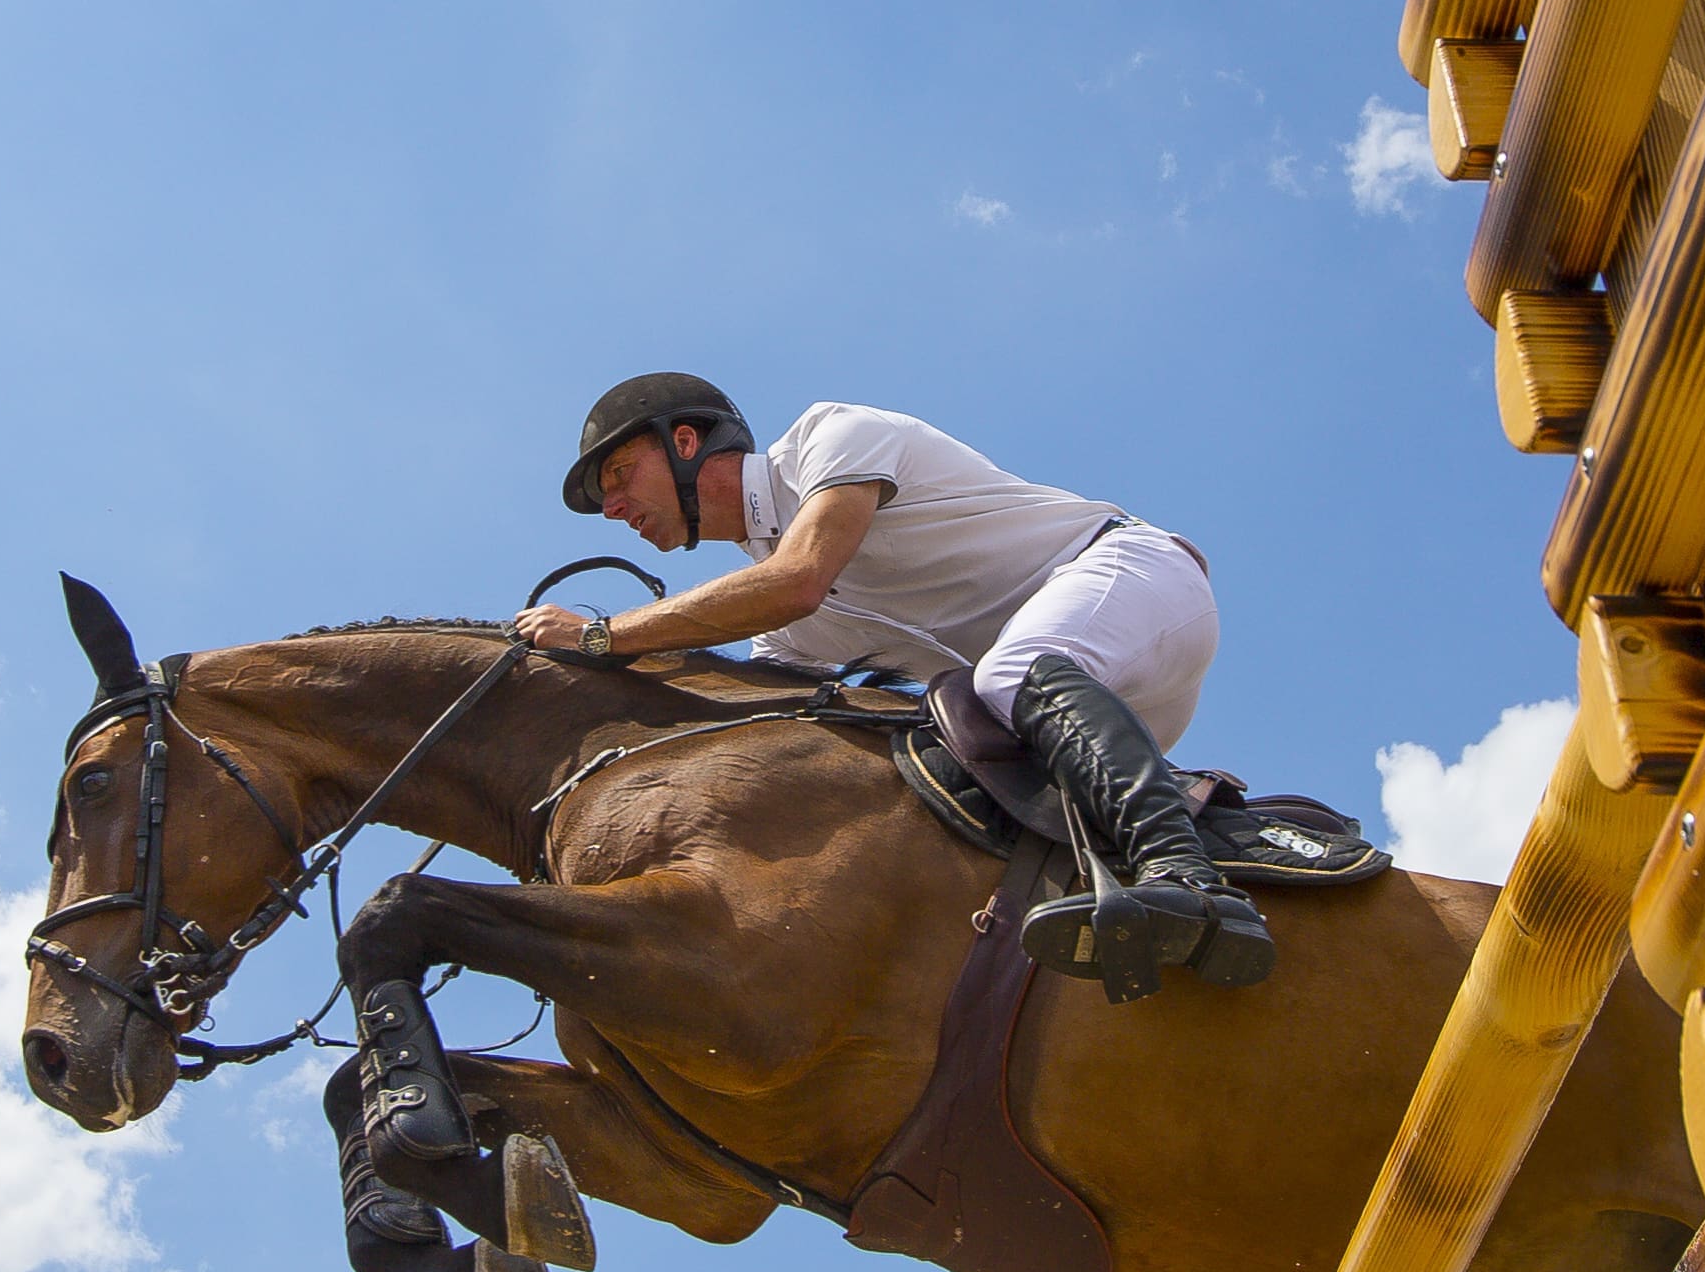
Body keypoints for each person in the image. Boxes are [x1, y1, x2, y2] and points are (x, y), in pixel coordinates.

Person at [516, 374, 1272, 992]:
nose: (614, 509)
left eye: (620, 476)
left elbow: (799, 579)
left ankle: (1189, 878)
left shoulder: (827, 435)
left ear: (685, 442)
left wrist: (598, 635)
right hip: (1087, 711)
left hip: (1135, 581)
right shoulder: (787, 638)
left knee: (1001, 681)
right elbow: (744, 732)